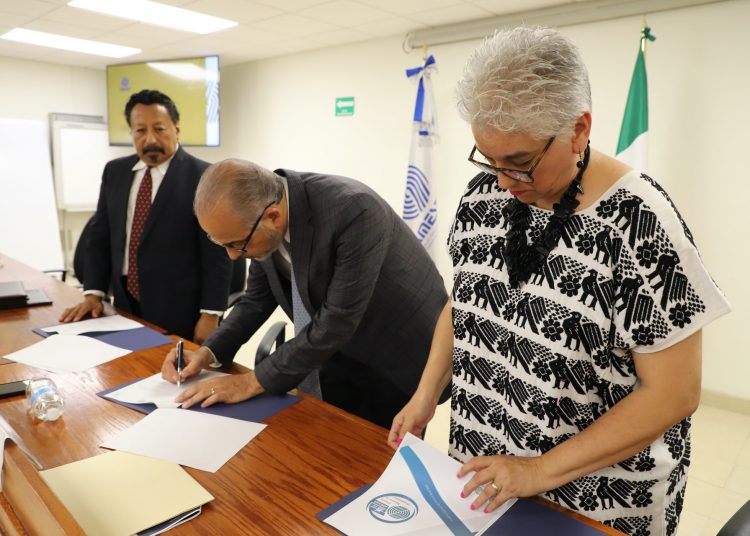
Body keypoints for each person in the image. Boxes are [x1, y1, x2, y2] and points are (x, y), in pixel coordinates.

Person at [388, 27, 730, 536]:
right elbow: (464, 305)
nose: (503, 181)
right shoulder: (484, 197)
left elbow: (674, 393)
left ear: (579, 130)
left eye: (520, 163)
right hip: (485, 479)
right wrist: (425, 394)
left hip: (598, 503)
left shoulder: (640, 223)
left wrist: (538, 470)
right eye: (489, 159)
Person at [161, 159, 450, 429]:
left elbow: (336, 323)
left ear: (273, 217)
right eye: (222, 245)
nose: (233, 256)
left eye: (236, 244)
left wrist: (250, 382)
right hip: (336, 354)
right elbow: (254, 302)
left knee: (377, 456)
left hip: (396, 356)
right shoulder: (259, 219)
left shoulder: (354, 210)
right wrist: (207, 353)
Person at [59, 89, 232, 343]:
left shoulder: (204, 176)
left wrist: (211, 314)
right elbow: (100, 236)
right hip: (124, 304)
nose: (150, 139)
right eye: (140, 130)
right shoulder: (115, 172)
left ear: (176, 129)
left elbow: (216, 254)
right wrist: (93, 293)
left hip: (181, 310)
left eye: (159, 129)